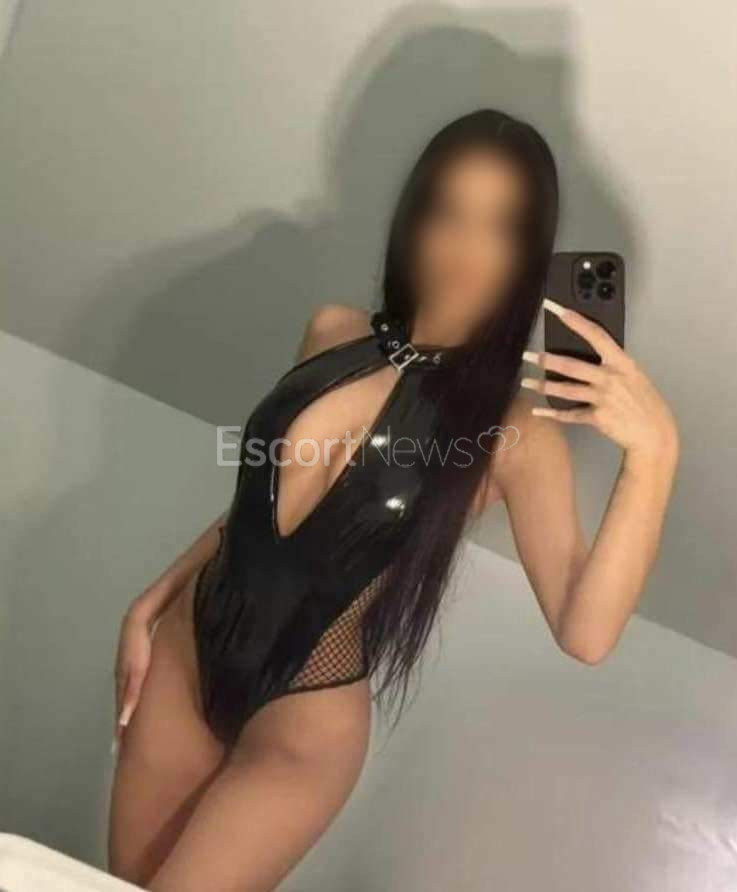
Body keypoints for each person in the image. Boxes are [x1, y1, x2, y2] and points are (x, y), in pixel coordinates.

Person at [108, 109, 678, 892]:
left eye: (500, 227)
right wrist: (152, 599)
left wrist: (653, 454)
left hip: (302, 721)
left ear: (528, 253)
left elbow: (584, 633)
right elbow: (258, 507)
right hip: (181, 654)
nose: (464, 246)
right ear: (415, 215)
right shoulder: (330, 331)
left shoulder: (515, 433)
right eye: (448, 211)